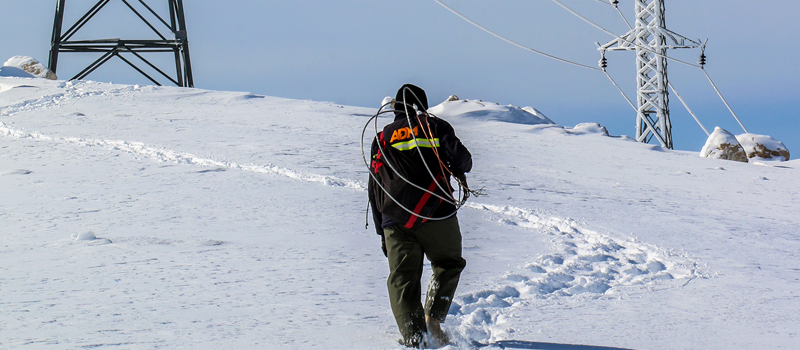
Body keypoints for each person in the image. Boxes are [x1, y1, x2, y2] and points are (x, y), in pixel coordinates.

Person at [368, 84, 472, 348]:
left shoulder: (381, 138)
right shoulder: (435, 127)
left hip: (394, 220)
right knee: (448, 263)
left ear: (395, 108)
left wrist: (383, 231)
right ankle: (433, 322)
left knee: (402, 278)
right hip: (437, 213)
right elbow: (464, 161)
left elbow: (374, 188)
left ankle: (414, 339)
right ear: (422, 105)